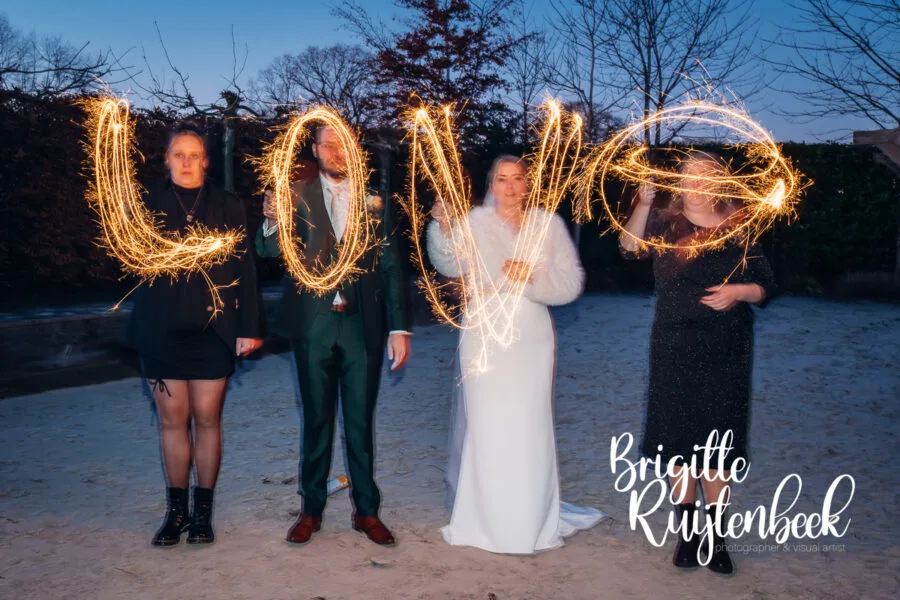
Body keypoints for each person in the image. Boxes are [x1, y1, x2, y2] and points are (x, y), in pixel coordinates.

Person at [428, 155, 606, 554]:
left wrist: (532, 277)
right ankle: (483, 520)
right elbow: (447, 263)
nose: (510, 187)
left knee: (529, 425)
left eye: (518, 179)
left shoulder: (547, 225)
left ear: (529, 184)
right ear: (491, 185)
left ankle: (530, 520)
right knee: (488, 425)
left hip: (531, 335)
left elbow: (571, 283)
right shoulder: (474, 222)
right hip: (484, 334)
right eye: (501, 180)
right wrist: (442, 226)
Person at [619, 152, 777, 574]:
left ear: (720, 182)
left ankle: (717, 539)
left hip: (726, 348)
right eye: (689, 174)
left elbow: (769, 284)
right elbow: (629, 247)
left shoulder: (739, 224)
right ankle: (688, 536)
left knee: (717, 448)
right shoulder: (664, 224)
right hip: (674, 344)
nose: (696, 182)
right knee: (679, 442)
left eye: (706, 175)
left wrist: (739, 291)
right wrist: (644, 202)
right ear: (679, 180)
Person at [255, 124, 412, 547]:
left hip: (364, 327)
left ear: (355, 149)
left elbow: (394, 266)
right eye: (329, 144)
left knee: (361, 422)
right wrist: (271, 220)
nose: (337, 151)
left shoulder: (377, 198)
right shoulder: (297, 193)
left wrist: (399, 327)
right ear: (315, 149)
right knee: (317, 420)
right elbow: (268, 251)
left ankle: (366, 511)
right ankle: (311, 510)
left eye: (344, 144)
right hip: (314, 326)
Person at [127, 123, 265, 547]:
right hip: (161, 330)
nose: (186, 163)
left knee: (207, 419)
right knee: (172, 421)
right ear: (166, 159)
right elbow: (130, 260)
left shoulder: (227, 205)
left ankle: (203, 513)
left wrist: (250, 327)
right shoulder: (145, 203)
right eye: (177, 155)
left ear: (205, 160)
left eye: (193, 155)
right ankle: (177, 512)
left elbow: (244, 268)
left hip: (213, 330)